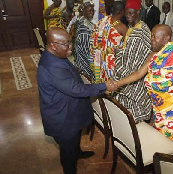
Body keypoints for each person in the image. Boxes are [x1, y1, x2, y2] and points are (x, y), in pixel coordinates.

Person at [115, 24, 173, 151]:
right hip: (158, 111)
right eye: (151, 36)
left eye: (155, 37)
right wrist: (117, 84)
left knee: (171, 146)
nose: (151, 39)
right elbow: (138, 74)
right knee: (163, 146)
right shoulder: (154, 55)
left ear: (166, 38)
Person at [37, 27, 117, 174]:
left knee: (74, 142)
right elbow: (77, 90)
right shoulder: (52, 67)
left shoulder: (55, 55)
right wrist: (104, 85)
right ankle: (70, 169)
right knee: (67, 150)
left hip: (69, 111)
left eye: (70, 42)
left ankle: (77, 152)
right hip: (62, 118)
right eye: (67, 44)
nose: (71, 46)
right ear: (54, 46)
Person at [113, 0, 152, 123]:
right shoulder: (131, 27)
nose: (128, 16)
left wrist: (119, 54)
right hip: (128, 68)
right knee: (125, 106)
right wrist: (120, 51)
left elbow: (138, 55)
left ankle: (135, 130)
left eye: (131, 13)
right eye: (126, 13)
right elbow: (128, 50)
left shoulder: (142, 30)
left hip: (136, 72)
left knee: (134, 105)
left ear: (138, 12)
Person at [89, 1, 128, 83]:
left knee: (102, 85)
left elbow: (93, 40)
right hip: (112, 64)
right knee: (112, 87)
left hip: (99, 61)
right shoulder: (122, 28)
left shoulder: (101, 22)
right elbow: (127, 47)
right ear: (122, 11)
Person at [74, 1, 95, 80]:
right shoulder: (84, 29)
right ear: (84, 11)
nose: (92, 13)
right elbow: (85, 52)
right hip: (84, 65)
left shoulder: (85, 22)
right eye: (89, 10)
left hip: (81, 59)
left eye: (93, 10)